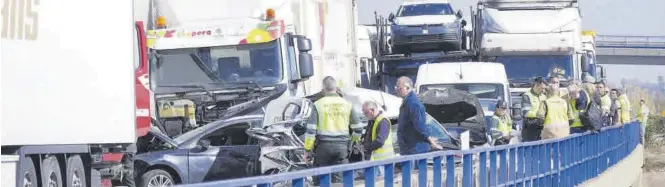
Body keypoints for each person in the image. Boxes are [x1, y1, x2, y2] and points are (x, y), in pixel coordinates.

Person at [303, 76, 363, 184]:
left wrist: (307, 150)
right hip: (342, 148)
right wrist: (351, 143)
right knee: (339, 180)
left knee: (321, 179)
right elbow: (358, 128)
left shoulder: (318, 104)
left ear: (323, 89)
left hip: (322, 148)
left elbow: (311, 131)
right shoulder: (347, 104)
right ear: (336, 88)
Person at [394, 76, 442, 155]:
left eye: (399, 88)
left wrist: (430, 141)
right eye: (396, 87)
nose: (397, 90)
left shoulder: (413, 103)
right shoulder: (407, 102)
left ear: (407, 88)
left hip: (415, 150)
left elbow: (419, 125)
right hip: (410, 148)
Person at [361, 101, 395, 177]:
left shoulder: (382, 121)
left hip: (382, 161)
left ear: (372, 110)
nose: (364, 115)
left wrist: (366, 147)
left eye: (366, 113)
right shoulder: (372, 120)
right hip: (376, 160)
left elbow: (379, 141)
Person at [521, 77, 548, 142]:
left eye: (545, 89)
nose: (544, 91)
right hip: (530, 127)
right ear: (536, 85)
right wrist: (539, 115)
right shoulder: (527, 96)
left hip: (541, 127)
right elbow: (526, 113)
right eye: (542, 88)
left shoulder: (543, 96)